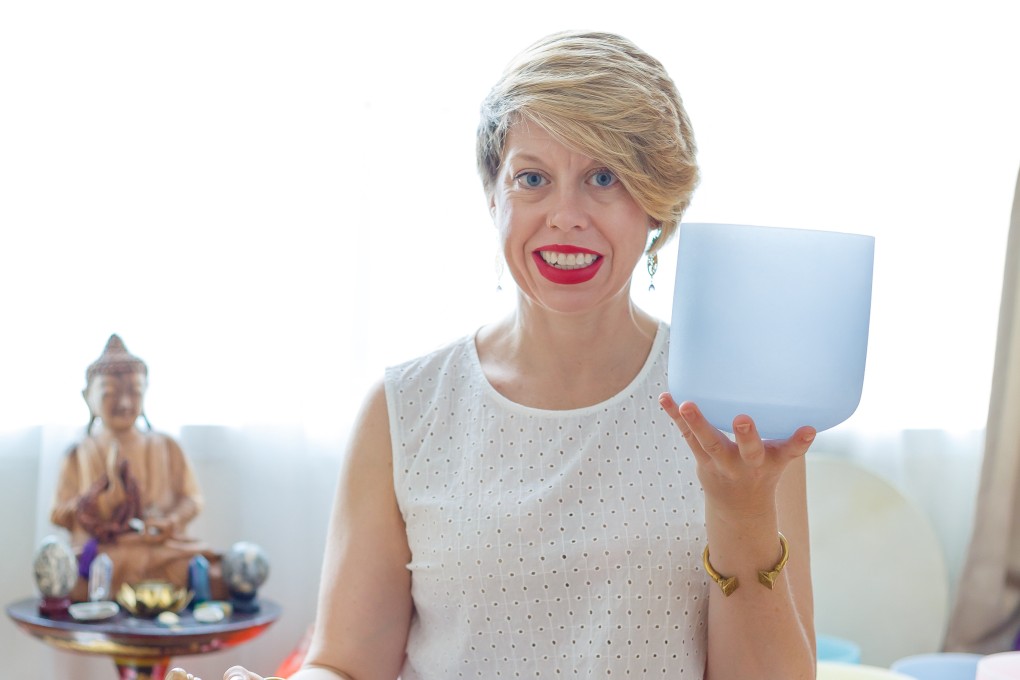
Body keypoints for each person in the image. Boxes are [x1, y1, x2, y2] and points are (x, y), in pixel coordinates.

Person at [168, 29, 816, 680]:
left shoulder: (733, 413)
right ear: (493, 196)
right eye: (532, 178)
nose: (565, 214)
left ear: (656, 204)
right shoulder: (404, 410)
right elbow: (347, 666)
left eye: (603, 177)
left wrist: (743, 514)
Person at [51, 334, 226, 601]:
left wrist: (171, 521)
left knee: (215, 576)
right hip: (106, 549)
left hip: (159, 547)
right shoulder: (78, 454)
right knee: (75, 578)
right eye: (110, 394)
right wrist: (93, 504)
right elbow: (58, 513)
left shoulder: (166, 446)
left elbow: (192, 499)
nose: (124, 403)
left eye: (134, 392)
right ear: (88, 397)